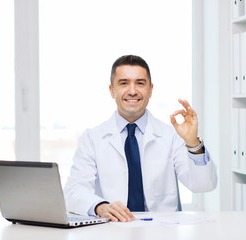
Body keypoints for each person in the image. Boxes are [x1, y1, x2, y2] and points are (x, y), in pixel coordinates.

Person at [64, 55, 217, 222]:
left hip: (161, 231)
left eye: (140, 83)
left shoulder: (171, 136)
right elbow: (74, 191)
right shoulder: (92, 138)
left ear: (150, 90)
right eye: (123, 83)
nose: (132, 91)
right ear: (111, 90)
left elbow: (204, 185)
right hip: (111, 229)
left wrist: (192, 142)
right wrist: (102, 207)